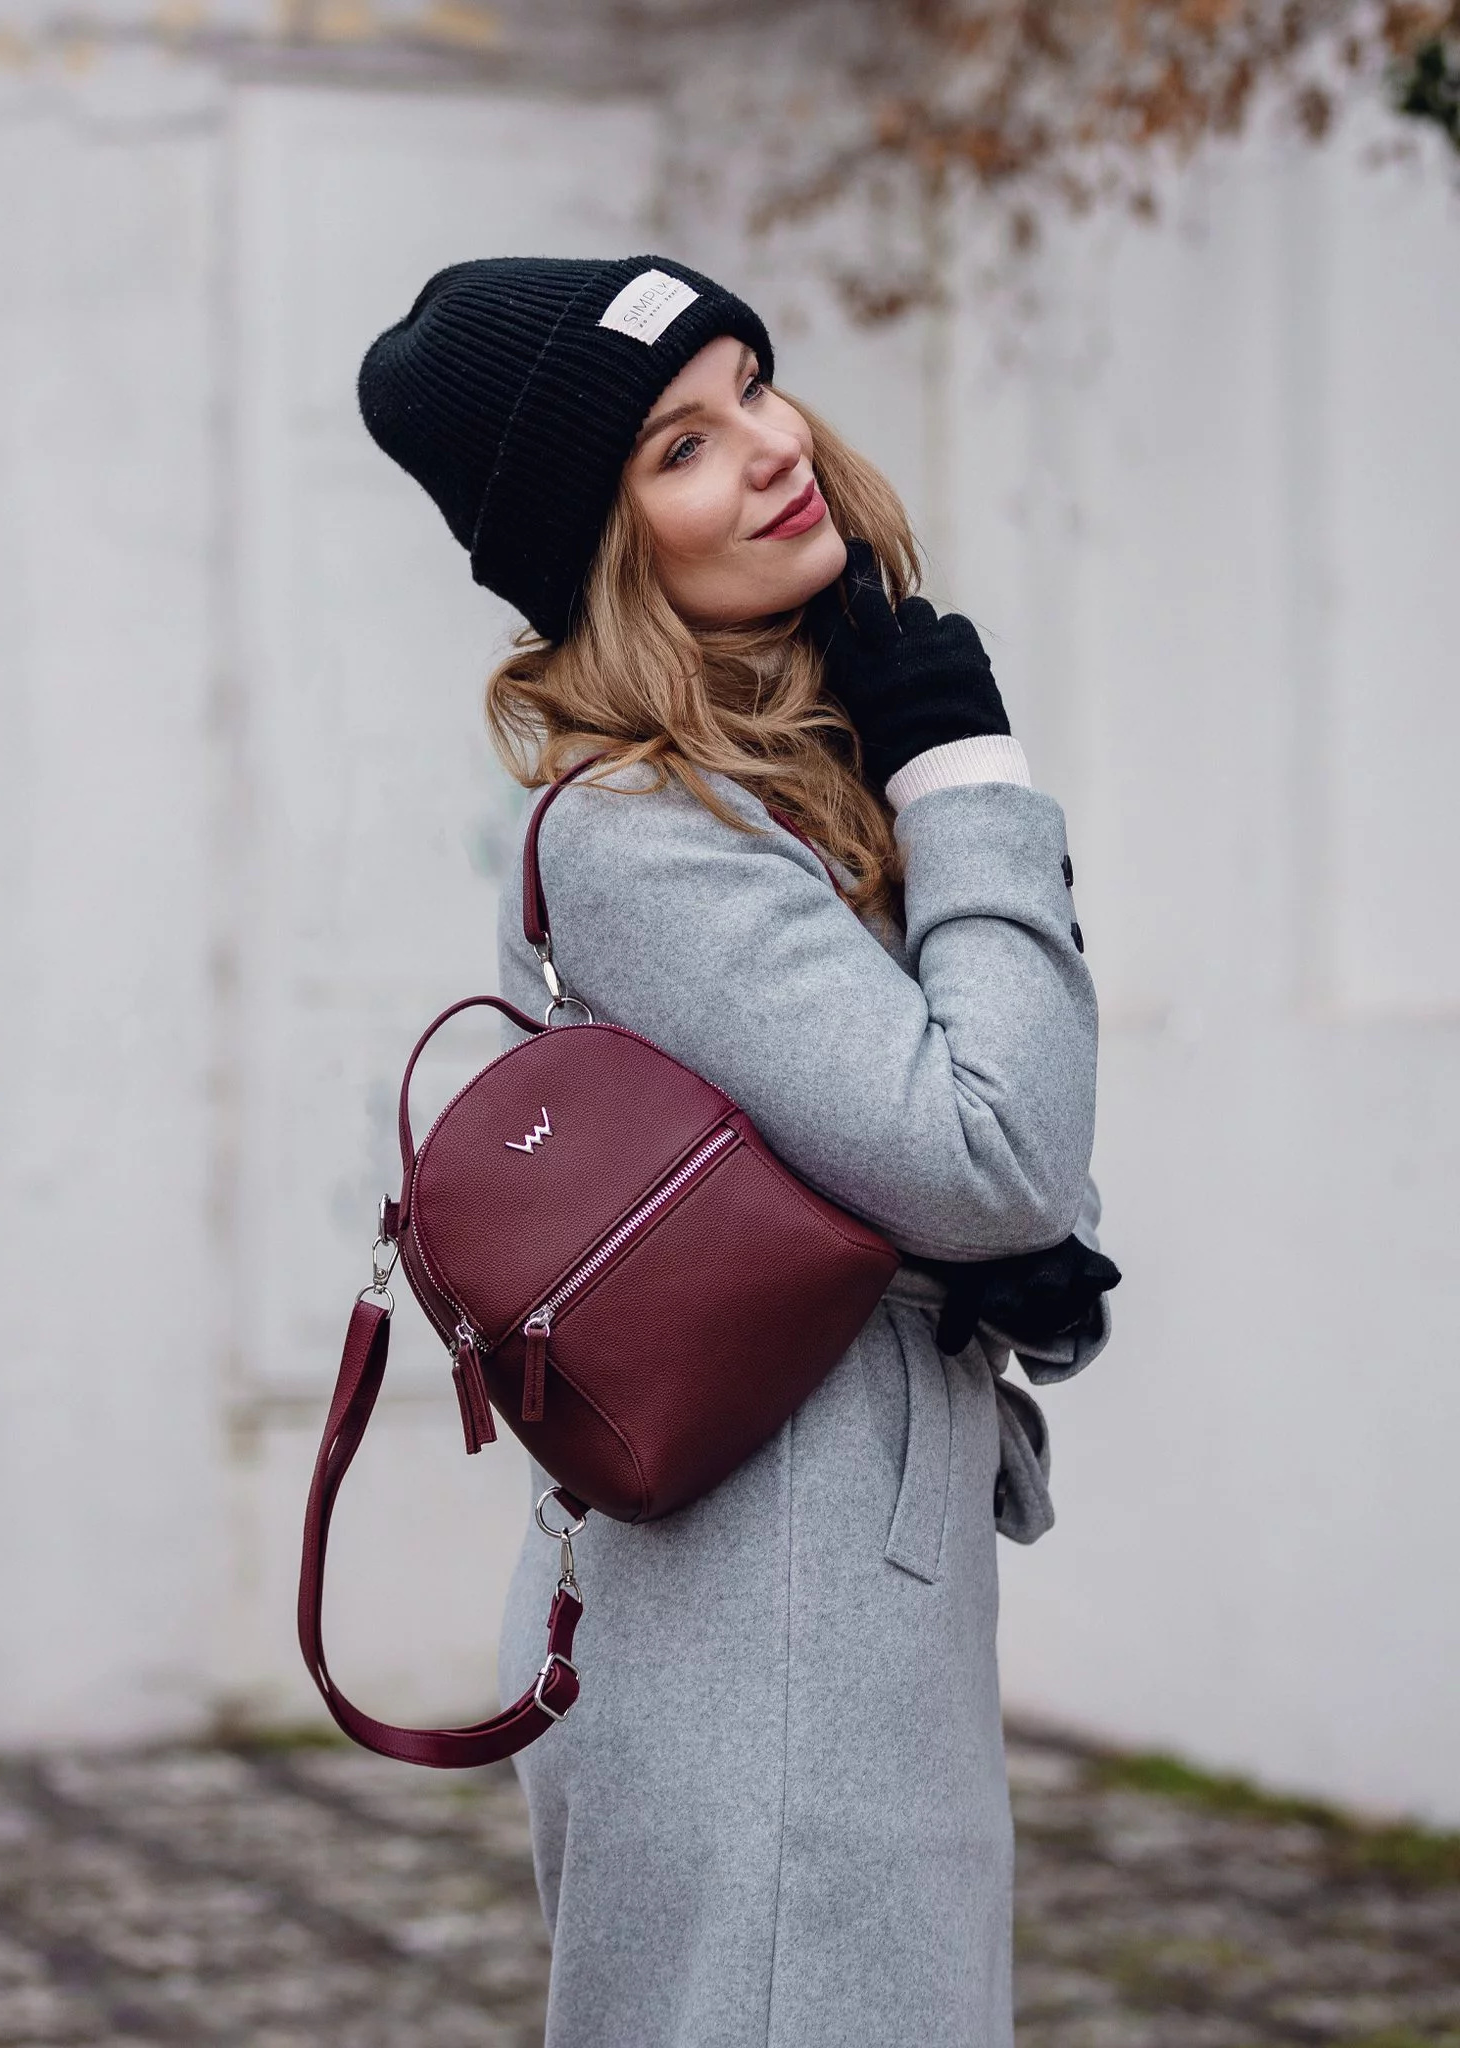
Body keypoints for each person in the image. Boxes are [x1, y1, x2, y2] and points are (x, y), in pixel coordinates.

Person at [358, 255, 1118, 2048]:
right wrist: (967, 782)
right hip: (763, 1627)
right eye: (679, 448)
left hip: (815, 1593)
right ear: (603, 554)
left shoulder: (789, 780)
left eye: (752, 385)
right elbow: (999, 1157)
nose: (773, 447)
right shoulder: (645, 833)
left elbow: (1003, 1160)